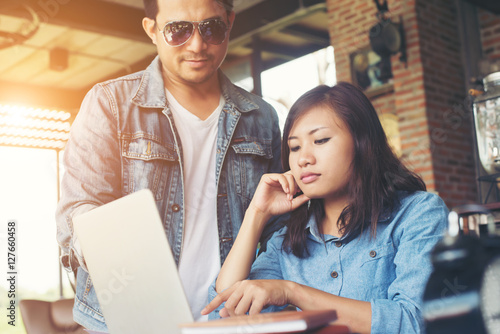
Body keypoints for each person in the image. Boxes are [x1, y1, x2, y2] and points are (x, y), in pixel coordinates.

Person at [55, 0, 283, 331]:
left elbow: (280, 230)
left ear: (230, 21)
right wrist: (110, 255)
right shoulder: (110, 104)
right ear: (152, 29)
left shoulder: (261, 118)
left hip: (229, 321)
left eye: (212, 28)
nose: (197, 45)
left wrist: (259, 291)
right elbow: (77, 210)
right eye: (178, 30)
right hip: (131, 324)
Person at [202, 82, 449, 334]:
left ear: (362, 142)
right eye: (294, 147)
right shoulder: (287, 243)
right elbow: (223, 319)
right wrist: (257, 213)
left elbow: (417, 322)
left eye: (320, 140)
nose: (303, 159)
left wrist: (292, 292)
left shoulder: (418, 214)